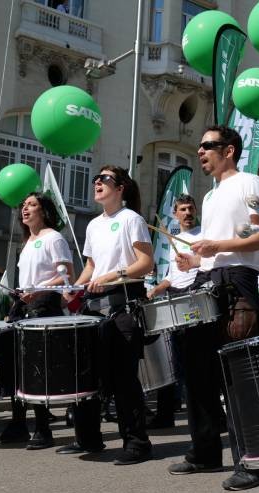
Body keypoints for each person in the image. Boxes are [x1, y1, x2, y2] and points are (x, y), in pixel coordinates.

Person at [166, 125, 259, 492]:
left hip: (240, 281)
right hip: (209, 280)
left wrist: (217, 247)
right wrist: (196, 261)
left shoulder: (251, 183)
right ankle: (205, 451)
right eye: (199, 146)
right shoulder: (211, 197)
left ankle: (253, 460)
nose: (200, 152)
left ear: (228, 150)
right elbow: (216, 250)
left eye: (207, 146)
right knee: (198, 371)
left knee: (238, 377)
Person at [61, 165, 154, 466]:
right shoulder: (92, 225)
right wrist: (74, 287)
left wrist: (113, 276)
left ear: (121, 187)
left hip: (123, 303)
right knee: (89, 374)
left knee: (124, 378)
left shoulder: (131, 219)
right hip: (94, 304)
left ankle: (137, 444)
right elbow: (91, 266)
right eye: (96, 179)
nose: (97, 183)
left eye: (105, 179)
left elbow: (146, 264)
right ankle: (88, 438)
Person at [0, 192, 74, 450]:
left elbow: (68, 276)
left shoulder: (54, 238)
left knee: (35, 370)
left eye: (32, 205)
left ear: (44, 211)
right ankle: (18, 423)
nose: (25, 209)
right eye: (23, 205)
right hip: (24, 307)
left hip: (43, 307)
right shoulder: (27, 242)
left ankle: (43, 428)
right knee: (16, 368)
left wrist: (39, 289)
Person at [146, 194, 202, 429]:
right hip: (174, 296)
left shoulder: (203, 235)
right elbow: (171, 275)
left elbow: (210, 263)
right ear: (175, 214)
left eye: (190, 208)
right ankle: (165, 414)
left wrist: (194, 261)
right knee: (170, 358)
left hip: (196, 294)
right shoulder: (174, 239)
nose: (187, 213)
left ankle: (204, 414)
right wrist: (157, 289)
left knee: (196, 359)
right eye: (182, 209)